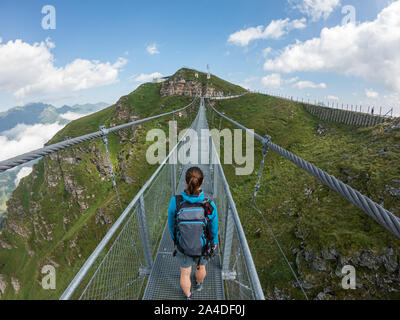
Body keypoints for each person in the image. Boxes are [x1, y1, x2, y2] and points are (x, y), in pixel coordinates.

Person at [167, 167, 219, 300]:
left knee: (185, 273)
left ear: (185, 181)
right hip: (202, 246)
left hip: (183, 246)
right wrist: (214, 243)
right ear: (203, 182)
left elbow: (171, 223)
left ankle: (188, 296)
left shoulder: (176, 202)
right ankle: (199, 283)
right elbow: (213, 228)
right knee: (201, 267)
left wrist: (174, 239)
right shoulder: (209, 204)